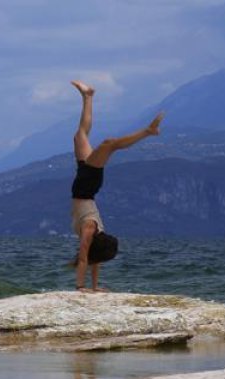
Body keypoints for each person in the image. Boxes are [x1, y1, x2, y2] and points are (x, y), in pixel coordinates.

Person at [70, 80, 164, 292]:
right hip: (87, 186)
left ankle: (88, 96)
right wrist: (82, 287)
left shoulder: (91, 232)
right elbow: (86, 256)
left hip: (85, 186)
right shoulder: (91, 228)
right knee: (109, 144)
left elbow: (88, 257)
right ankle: (148, 131)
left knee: (80, 135)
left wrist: (88, 288)